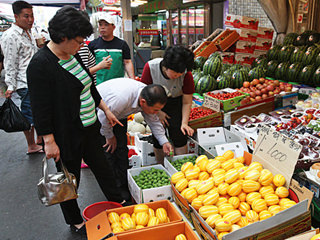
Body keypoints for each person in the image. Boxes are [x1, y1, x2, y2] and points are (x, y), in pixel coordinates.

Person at [26, 6, 125, 236]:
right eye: (79, 40)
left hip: (90, 127)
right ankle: (75, 221)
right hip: (66, 133)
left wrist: (105, 109)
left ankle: (119, 203)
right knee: (70, 180)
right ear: (62, 37)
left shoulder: (73, 54)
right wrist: (48, 140)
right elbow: (40, 108)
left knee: (104, 168)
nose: (82, 45)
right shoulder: (41, 64)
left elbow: (87, 86)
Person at [97, 78, 174, 200]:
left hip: (119, 115)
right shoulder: (120, 99)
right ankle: (115, 195)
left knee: (122, 151)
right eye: (155, 110)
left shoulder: (147, 97)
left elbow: (154, 122)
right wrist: (109, 136)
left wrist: (164, 141)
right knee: (109, 153)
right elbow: (103, 117)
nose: (157, 112)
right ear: (143, 102)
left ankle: (125, 186)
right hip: (101, 113)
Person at [0, 0, 43, 154]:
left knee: (36, 110)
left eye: (31, 16)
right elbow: (9, 62)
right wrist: (10, 86)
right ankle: (31, 145)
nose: (30, 20)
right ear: (16, 17)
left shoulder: (30, 32)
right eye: (26, 16)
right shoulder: (10, 36)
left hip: (35, 79)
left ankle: (39, 139)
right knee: (29, 112)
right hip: (23, 82)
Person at [140, 45, 195, 164]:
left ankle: (182, 167)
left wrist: (184, 123)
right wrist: (158, 112)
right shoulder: (151, 67)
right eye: (176, 73)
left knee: (180, 135)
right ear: (166, 66)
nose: (179, 75)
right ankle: (161, 165)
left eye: (181, 72)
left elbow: (187, 101)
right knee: (158, 137)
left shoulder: (186, 74)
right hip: (153, 103)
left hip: (177, 102)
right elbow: (143, 94)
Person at [88, 12, 135, 84]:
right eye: (100, 25)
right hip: (99, 84)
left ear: (113, 27)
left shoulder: (122, 44)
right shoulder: (93, 45)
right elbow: (89, 66)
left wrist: (133, 80)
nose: (102, 27)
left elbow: (127, 62)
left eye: (106, 25)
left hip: (118, 84)